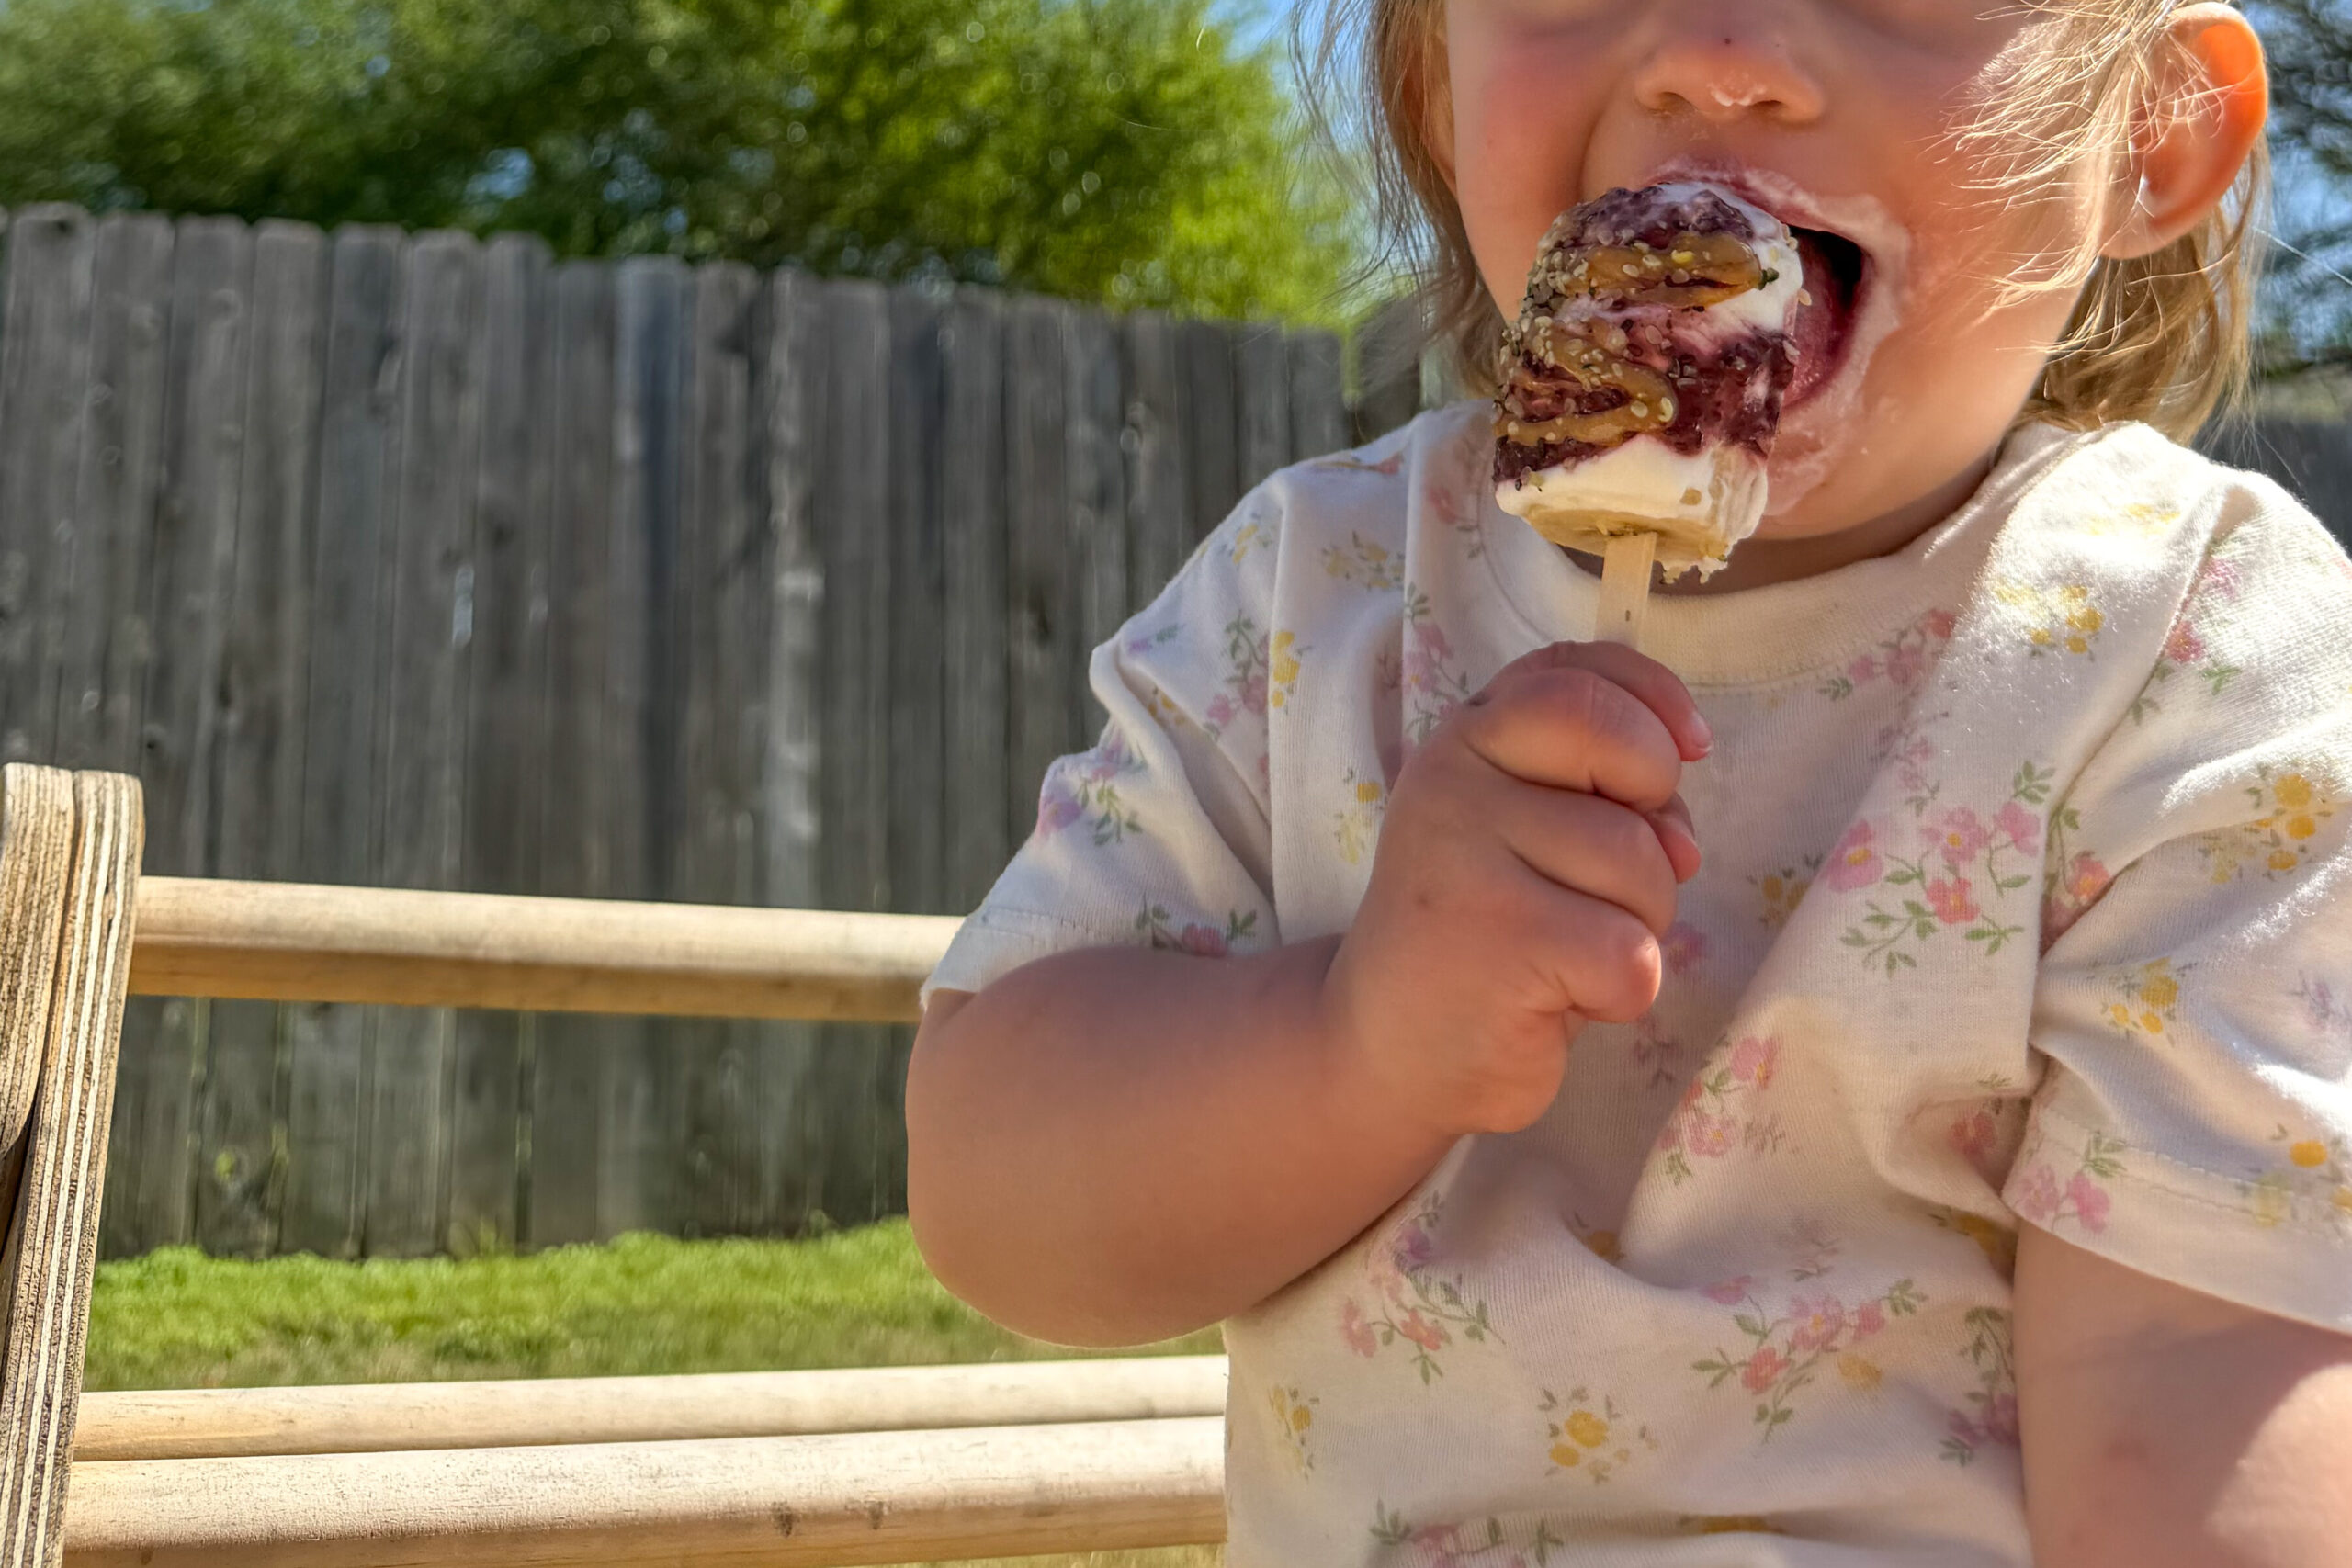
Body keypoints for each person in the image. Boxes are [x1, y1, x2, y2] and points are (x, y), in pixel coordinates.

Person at [906, 2, 2352, 1562]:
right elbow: (999, 1197)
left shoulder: (2193, 650)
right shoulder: (1315, 598)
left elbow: (2195, 1366)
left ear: (2149, 131)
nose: (1715, 51)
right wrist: (1354, 1041)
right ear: (1436, 90)